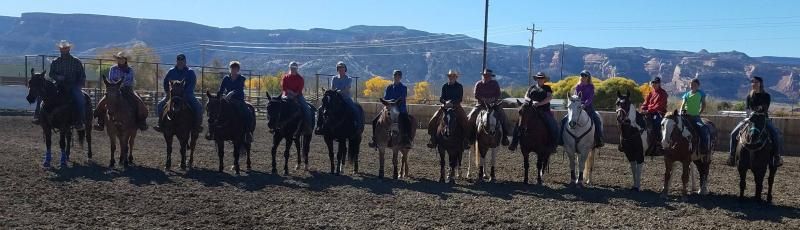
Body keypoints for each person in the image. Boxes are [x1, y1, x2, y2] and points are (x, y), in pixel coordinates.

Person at [728, 76, 783, 167]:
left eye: (756, 82)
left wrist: (760, 109)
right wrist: (748, 116)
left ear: (760, 84)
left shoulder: (766, 96)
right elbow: (747, 109)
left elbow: (765, 108)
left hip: (763, 119)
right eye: (752, 82)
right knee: (733, 133)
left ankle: (777, 156)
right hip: (750, 119)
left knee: (775, 134)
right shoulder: (749, 96)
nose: (753, 84)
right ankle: (732, 155)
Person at [93, 51, 149, 131]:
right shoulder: (113, 69)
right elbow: (111, 79)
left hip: (127, 89)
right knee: (102, 102)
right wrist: (116, 85)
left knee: (139, 101)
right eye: (119, 58)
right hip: (114, 89)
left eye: (122, 59)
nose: (120, 60)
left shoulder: (130, 70)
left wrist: (121, 84)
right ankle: (100, 121)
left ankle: (141, 121)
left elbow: (130, 80)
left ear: (125, 60)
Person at [153, 54, 203, 133]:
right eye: (179, 61)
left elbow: (192, 84)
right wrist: (167, 92)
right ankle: (161, 124)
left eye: (182, 61)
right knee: (160, 105)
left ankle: (197, 125)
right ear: (176, 61)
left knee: (198, 106)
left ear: (185, 61)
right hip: (172, 94)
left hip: (187, 94)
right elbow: (165, 82)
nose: (180, 62)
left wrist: (185, 93)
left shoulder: (190, 72)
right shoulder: (171, 71)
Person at [510, 72, 559, 151]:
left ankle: (553, 144)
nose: (540, 79)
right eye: (538, 78)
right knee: (519, 123)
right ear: (536, 79)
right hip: (531, 109)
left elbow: (549, 98)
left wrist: (539, 104)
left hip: (544, 110)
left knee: (552, 124)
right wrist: (532, 102)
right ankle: (514, 142)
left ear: (544, 79)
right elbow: (526, 96)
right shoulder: (532, 87)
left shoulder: (547, 88)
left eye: (541, 78)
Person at [208, 61, 254, 142]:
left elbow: (240, 89)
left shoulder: (241, 78)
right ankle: (212, 132)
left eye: (235, 68)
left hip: (239, 100)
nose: (234, 70)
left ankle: (247, 132)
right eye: (232, 68)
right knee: (215, 112)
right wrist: (217, 96)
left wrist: (232, 92)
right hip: (227, 100)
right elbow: (221, 89)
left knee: (247, 113)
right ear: (230, 69)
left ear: (238, 69)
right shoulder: (226, 78)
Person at [48, 40, 87, 130]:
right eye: (62, 48)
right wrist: (58, 77)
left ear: (69, 49)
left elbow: (82, 75)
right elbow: (51, 74)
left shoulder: (76, 61)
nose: (64, 50)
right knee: (43, 95)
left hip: (72, 85)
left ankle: (80, 120)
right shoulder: (55, 62)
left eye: (65, 48)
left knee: (80, 100)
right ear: (60, 50)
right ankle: (39, 116)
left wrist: (79, 85)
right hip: (58, 85)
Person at [559, 70, 604, 148]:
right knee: (564, 120)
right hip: (577, 107)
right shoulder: (578, 86)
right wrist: (576, 102)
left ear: (588, 78)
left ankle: (599, 139)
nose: (583, 77)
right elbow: (576, 96)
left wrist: (585, 104)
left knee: (597, 120)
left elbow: (590, 98)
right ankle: (560, 139)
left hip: (588, 107)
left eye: (585, 76)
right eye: (582, 76)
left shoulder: (591, 87)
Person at [426, 70, 469, 149]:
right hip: (445, 106)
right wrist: (446, 102)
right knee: (434, 119)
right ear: (448, 77)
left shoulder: (459, 86)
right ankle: (433, 138)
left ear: (456, 77)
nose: (451, 77)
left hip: (456, 106)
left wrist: (452, 103)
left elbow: (460, 98)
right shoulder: (444, 86)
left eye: (453, 76)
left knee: (465, 120)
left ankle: (466, 140)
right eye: (450, 76)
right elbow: (441, 98)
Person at [467, 69, 510, 146]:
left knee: (503, 116)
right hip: (481, 104)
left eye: (488, 76)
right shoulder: (478, 84)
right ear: (482, 76)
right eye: (484, 75)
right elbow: (476, 95)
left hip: (493, 105)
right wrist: (483, 99)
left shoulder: (495, 84)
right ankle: (469, 137)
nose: (486, 77)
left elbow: (498, 94)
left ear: (491, 77)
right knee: (470, 117)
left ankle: (505, 137)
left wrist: (493, 99)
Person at [369, 70, 411, 147]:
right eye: (395, 76)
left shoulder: (404, 88)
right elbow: (385, 98)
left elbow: (401, 99)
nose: (396, 77)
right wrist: (388, 102)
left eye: (398, 76)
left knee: (407, 121)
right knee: (375, 120)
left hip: (400, 108)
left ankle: (406, 139)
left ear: (400, 77)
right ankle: (375, 139)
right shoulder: (389, 87)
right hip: (389, 108)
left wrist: (392, 102)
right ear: (393, 76)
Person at [281, 61, 314, 133]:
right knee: (276, 105)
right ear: (289, 68)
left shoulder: (300, 78)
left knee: (307, 109)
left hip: (298, 96)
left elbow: (299, 89)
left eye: (295, 68)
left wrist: (295, 94)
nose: (293, 69)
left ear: (297, 69)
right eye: (292, 68)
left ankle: (308, 127)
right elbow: (284, 87)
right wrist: (290, 93)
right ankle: (275, 125)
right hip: (287, 95)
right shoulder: (285, 77)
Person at [680, 78, 710, 155]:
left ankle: (704, 147)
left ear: (698, 86)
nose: (693, 86)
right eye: (691, 84)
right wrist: (681, 112)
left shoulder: (701, 93)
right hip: (685, 116)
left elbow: (703, 104)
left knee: (702, 128)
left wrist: (699, 112)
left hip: (695, 117)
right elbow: (683, 105)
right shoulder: (686, 94)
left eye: (695, 85)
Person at [330, 61, 363, 128]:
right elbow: (332, 88)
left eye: (342, 68)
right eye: (339, 68)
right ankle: (321, 125)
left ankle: (357, 124)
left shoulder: (348, 79)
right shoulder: (334, 78)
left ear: (345, 69)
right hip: (335, 99)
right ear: (337, 69)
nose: (341, 69)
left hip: (345, 98)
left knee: (354, 109)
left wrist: (338, 91)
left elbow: (346, 89)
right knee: (323, 108)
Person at [639, 77, 668, 154]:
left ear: (659, 83)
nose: (654, 84)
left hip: (659, 113)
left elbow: (659, 106)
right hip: (648, 112)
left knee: (657, 124)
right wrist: (643, 109)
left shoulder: (663, 93)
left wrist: (648, 111)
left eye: (655, 83)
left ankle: (658, 144)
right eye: (653, 83)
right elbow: (645, 103)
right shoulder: (651, 93)